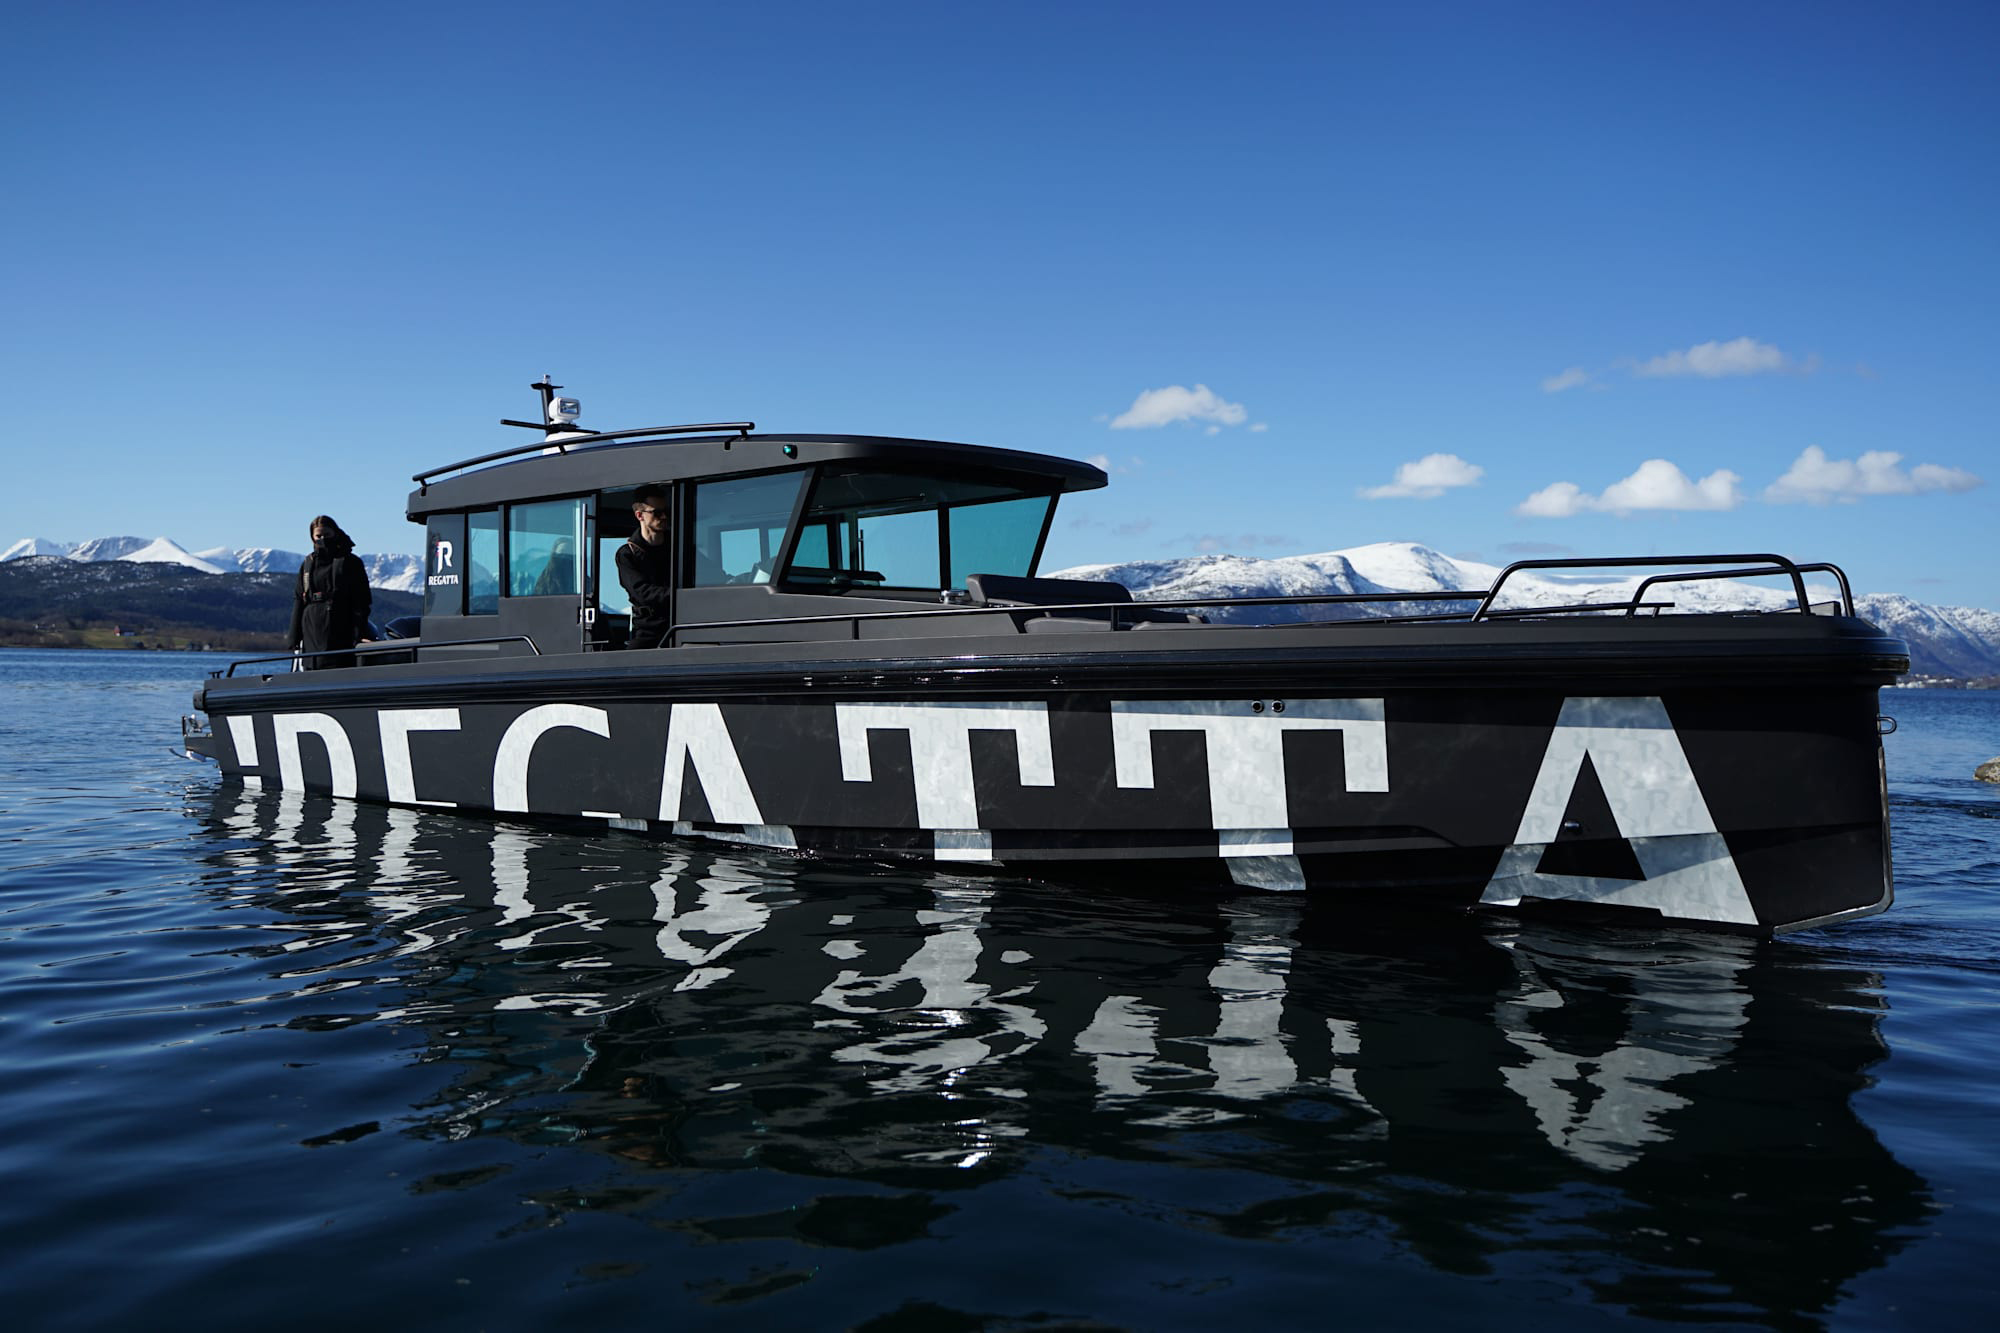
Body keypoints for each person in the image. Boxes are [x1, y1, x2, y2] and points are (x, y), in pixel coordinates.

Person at [287, 515, 372, 670]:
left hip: (341, 628)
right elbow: (299, 600)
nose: (323, 539)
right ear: (312, 537)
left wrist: (359, 632)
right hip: (312, 629)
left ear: (335, 533)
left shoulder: (351, 562)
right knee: (312, 670)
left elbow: (362, 601)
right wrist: (294, 636)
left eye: (327, 535)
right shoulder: (308, 564)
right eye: (318, 536)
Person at [617, 485, 674, 649]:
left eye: (666, 511)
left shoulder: (681, 546)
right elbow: (643, 593)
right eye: (657, 512)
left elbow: (711, 572)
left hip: (682, 621)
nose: (664, 516)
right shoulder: (627, 554)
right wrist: (678, 594)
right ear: (639, 515)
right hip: (648, 629)